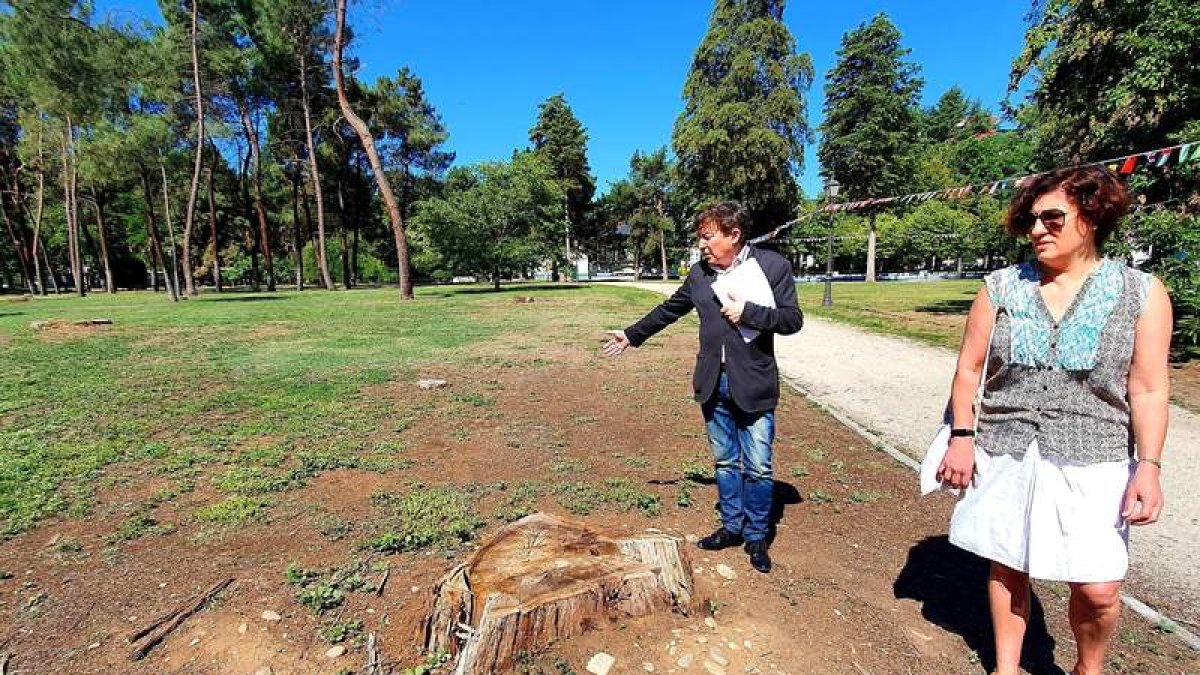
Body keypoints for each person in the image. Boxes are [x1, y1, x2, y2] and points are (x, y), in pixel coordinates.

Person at [937, 166, 1172, 675]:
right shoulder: (1001, 286)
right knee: (1008, 559)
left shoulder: (1141, 292)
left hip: (1096, 456)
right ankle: (1006, 667)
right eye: (1030, 220)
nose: (1037, 230)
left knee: (1099, 585)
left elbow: (1150, 387)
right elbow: (968, 370)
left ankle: (1089, 668)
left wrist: (1148, 466)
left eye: (1051, 218)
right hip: (1007, 447)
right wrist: (961, 436)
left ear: (1091, 215)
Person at [602, 201, 803, 573]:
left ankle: (757, 535)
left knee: (758, 467)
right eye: (701, 238)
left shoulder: (773, 267)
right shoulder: (700, 275)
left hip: (755, 383)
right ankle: (731, 527)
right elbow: (670, 309)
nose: (702, 245)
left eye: (708, 237)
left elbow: (792, 320)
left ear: (734, 235)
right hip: (712, 383)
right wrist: (631, 335)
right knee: (726, 462)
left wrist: (750, 314)